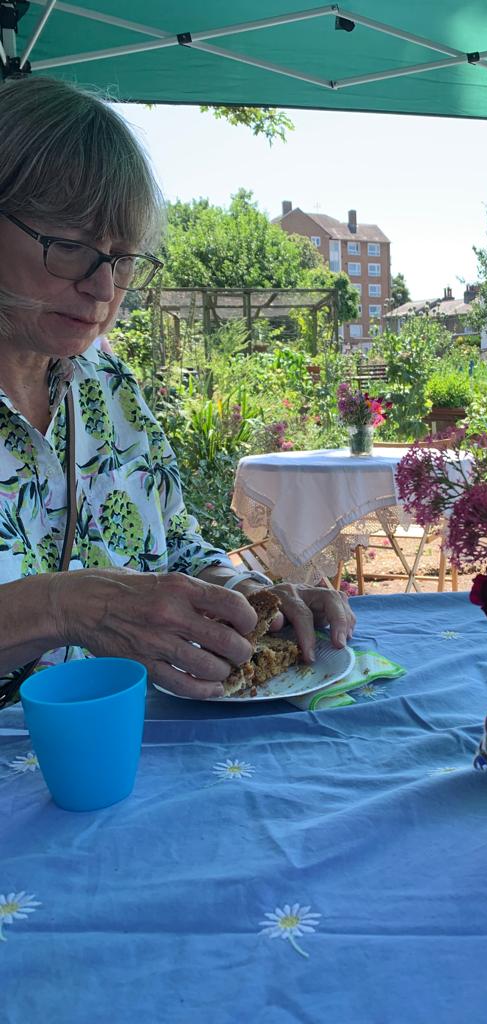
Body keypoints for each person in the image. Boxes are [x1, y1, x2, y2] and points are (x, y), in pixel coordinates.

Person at [0, 75, 354, 703]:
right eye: (72, 246)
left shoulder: (108, 387)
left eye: (124, 257)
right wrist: (62, 606)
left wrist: (238, 590)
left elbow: (170, 544)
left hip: (132, 766)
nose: (105, 289)